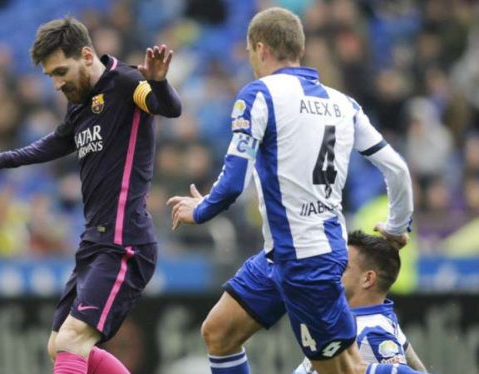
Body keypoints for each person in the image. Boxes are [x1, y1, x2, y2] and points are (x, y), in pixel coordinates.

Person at [167, 7, 433, 374]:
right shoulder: (344, 104)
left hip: (308, 262)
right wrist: (397, 224)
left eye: (249, 54)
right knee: (219, 333)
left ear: (259, 48)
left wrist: (199, 210)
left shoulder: (259, 95)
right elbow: (397, 168)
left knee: (343, 371)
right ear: (299, 48)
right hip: (281, 256)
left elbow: (232, 184)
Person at [0, 17, 181, 374]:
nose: (57, 82)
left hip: (125, 240)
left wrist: (158, 81)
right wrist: (2, 159)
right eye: (51, 75)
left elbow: (167, 106)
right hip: (95, 241)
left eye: (61, 71)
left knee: (72, 341)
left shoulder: (126, 83)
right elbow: (59, 141)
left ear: (86, 55)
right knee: (58, 345)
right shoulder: (80, 102)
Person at [293, 230, 427, 374]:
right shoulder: (372, 318)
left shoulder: (372, 332)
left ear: (368, 279)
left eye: (342, 267)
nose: (332, 273)